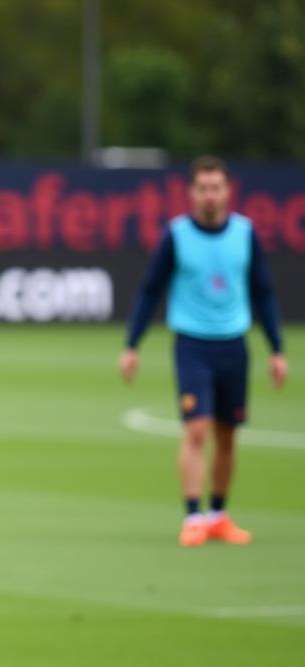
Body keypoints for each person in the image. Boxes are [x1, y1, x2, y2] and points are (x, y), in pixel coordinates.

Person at [121, 155, 289, 547]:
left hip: (234, 343)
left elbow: (263, 292)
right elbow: (150, 290)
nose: (210, 195)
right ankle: (193, 515)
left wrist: (277, 349)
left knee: (227, 435)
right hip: (193, 343)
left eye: (216, 187)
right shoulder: (176, 235)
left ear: (228, 191)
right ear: (191, 193)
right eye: (203, 188)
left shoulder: (244, 234)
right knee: (197, 428)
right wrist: (132, 344)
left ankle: (218, 514)